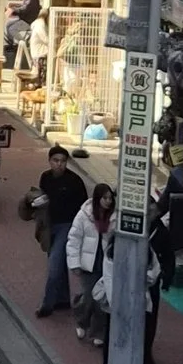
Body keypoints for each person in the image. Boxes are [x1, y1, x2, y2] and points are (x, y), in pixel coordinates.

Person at [30, 145, 89, 316]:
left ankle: (47, 304)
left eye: (62, 161)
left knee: (54, 265)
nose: (59, 164)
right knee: (59, 262)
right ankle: (62, 299)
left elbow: (84, 207)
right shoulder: (45, 177)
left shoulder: (74, 181)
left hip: (67, 226)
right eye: (55, 161)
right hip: (50, 225)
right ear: (49, 161)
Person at [65, 180, 115, 345]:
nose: (108, 201)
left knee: (102, 299)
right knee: (89, 297)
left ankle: (98, 332)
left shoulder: (114, 218)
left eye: (110, 198)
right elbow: (74, 238)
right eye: (105, 198)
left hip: (105, 264)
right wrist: (74, 263)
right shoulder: (84, 216)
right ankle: (82, 321)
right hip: (88, 264)